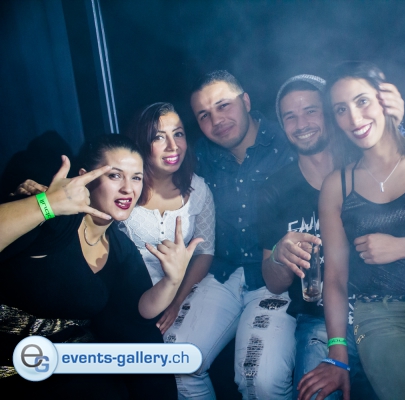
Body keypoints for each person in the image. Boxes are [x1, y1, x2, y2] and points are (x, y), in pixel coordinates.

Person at [260, 74, 405, 400]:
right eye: (289, 116)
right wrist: (280, 254)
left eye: (311, 110)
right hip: (323, 323)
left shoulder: (369, 157)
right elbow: (273, 282)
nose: (301, 123)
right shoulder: (276, 189)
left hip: (395, 309)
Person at [0, 134, 201, 398]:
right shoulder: (57, 221)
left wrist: (173, 280)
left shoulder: (120, 247)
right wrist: (46, 205)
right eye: (115, 175)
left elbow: (140, 309)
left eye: (136, 178)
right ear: (86, 177)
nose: (128, 188)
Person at [185, 70, 297, 399]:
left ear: (245, 101)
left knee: (259, 379)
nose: (216, 120)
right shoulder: (199, 155)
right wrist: (55, 204)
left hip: (276, 276)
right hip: (219, 273)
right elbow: (149, 180)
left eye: (224, 105)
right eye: (204, 115)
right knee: (176, 363)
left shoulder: (287, 143)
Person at [118, 102, 215, 395]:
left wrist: (176, 302)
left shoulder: (199, 190)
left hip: (181, 296)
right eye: (159, 137)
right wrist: (43, 200)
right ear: (142, 141)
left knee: (183, 364)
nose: (173, 146)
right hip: (129, 301)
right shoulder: (125, 188)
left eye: (179, 133)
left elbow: (205, 252)